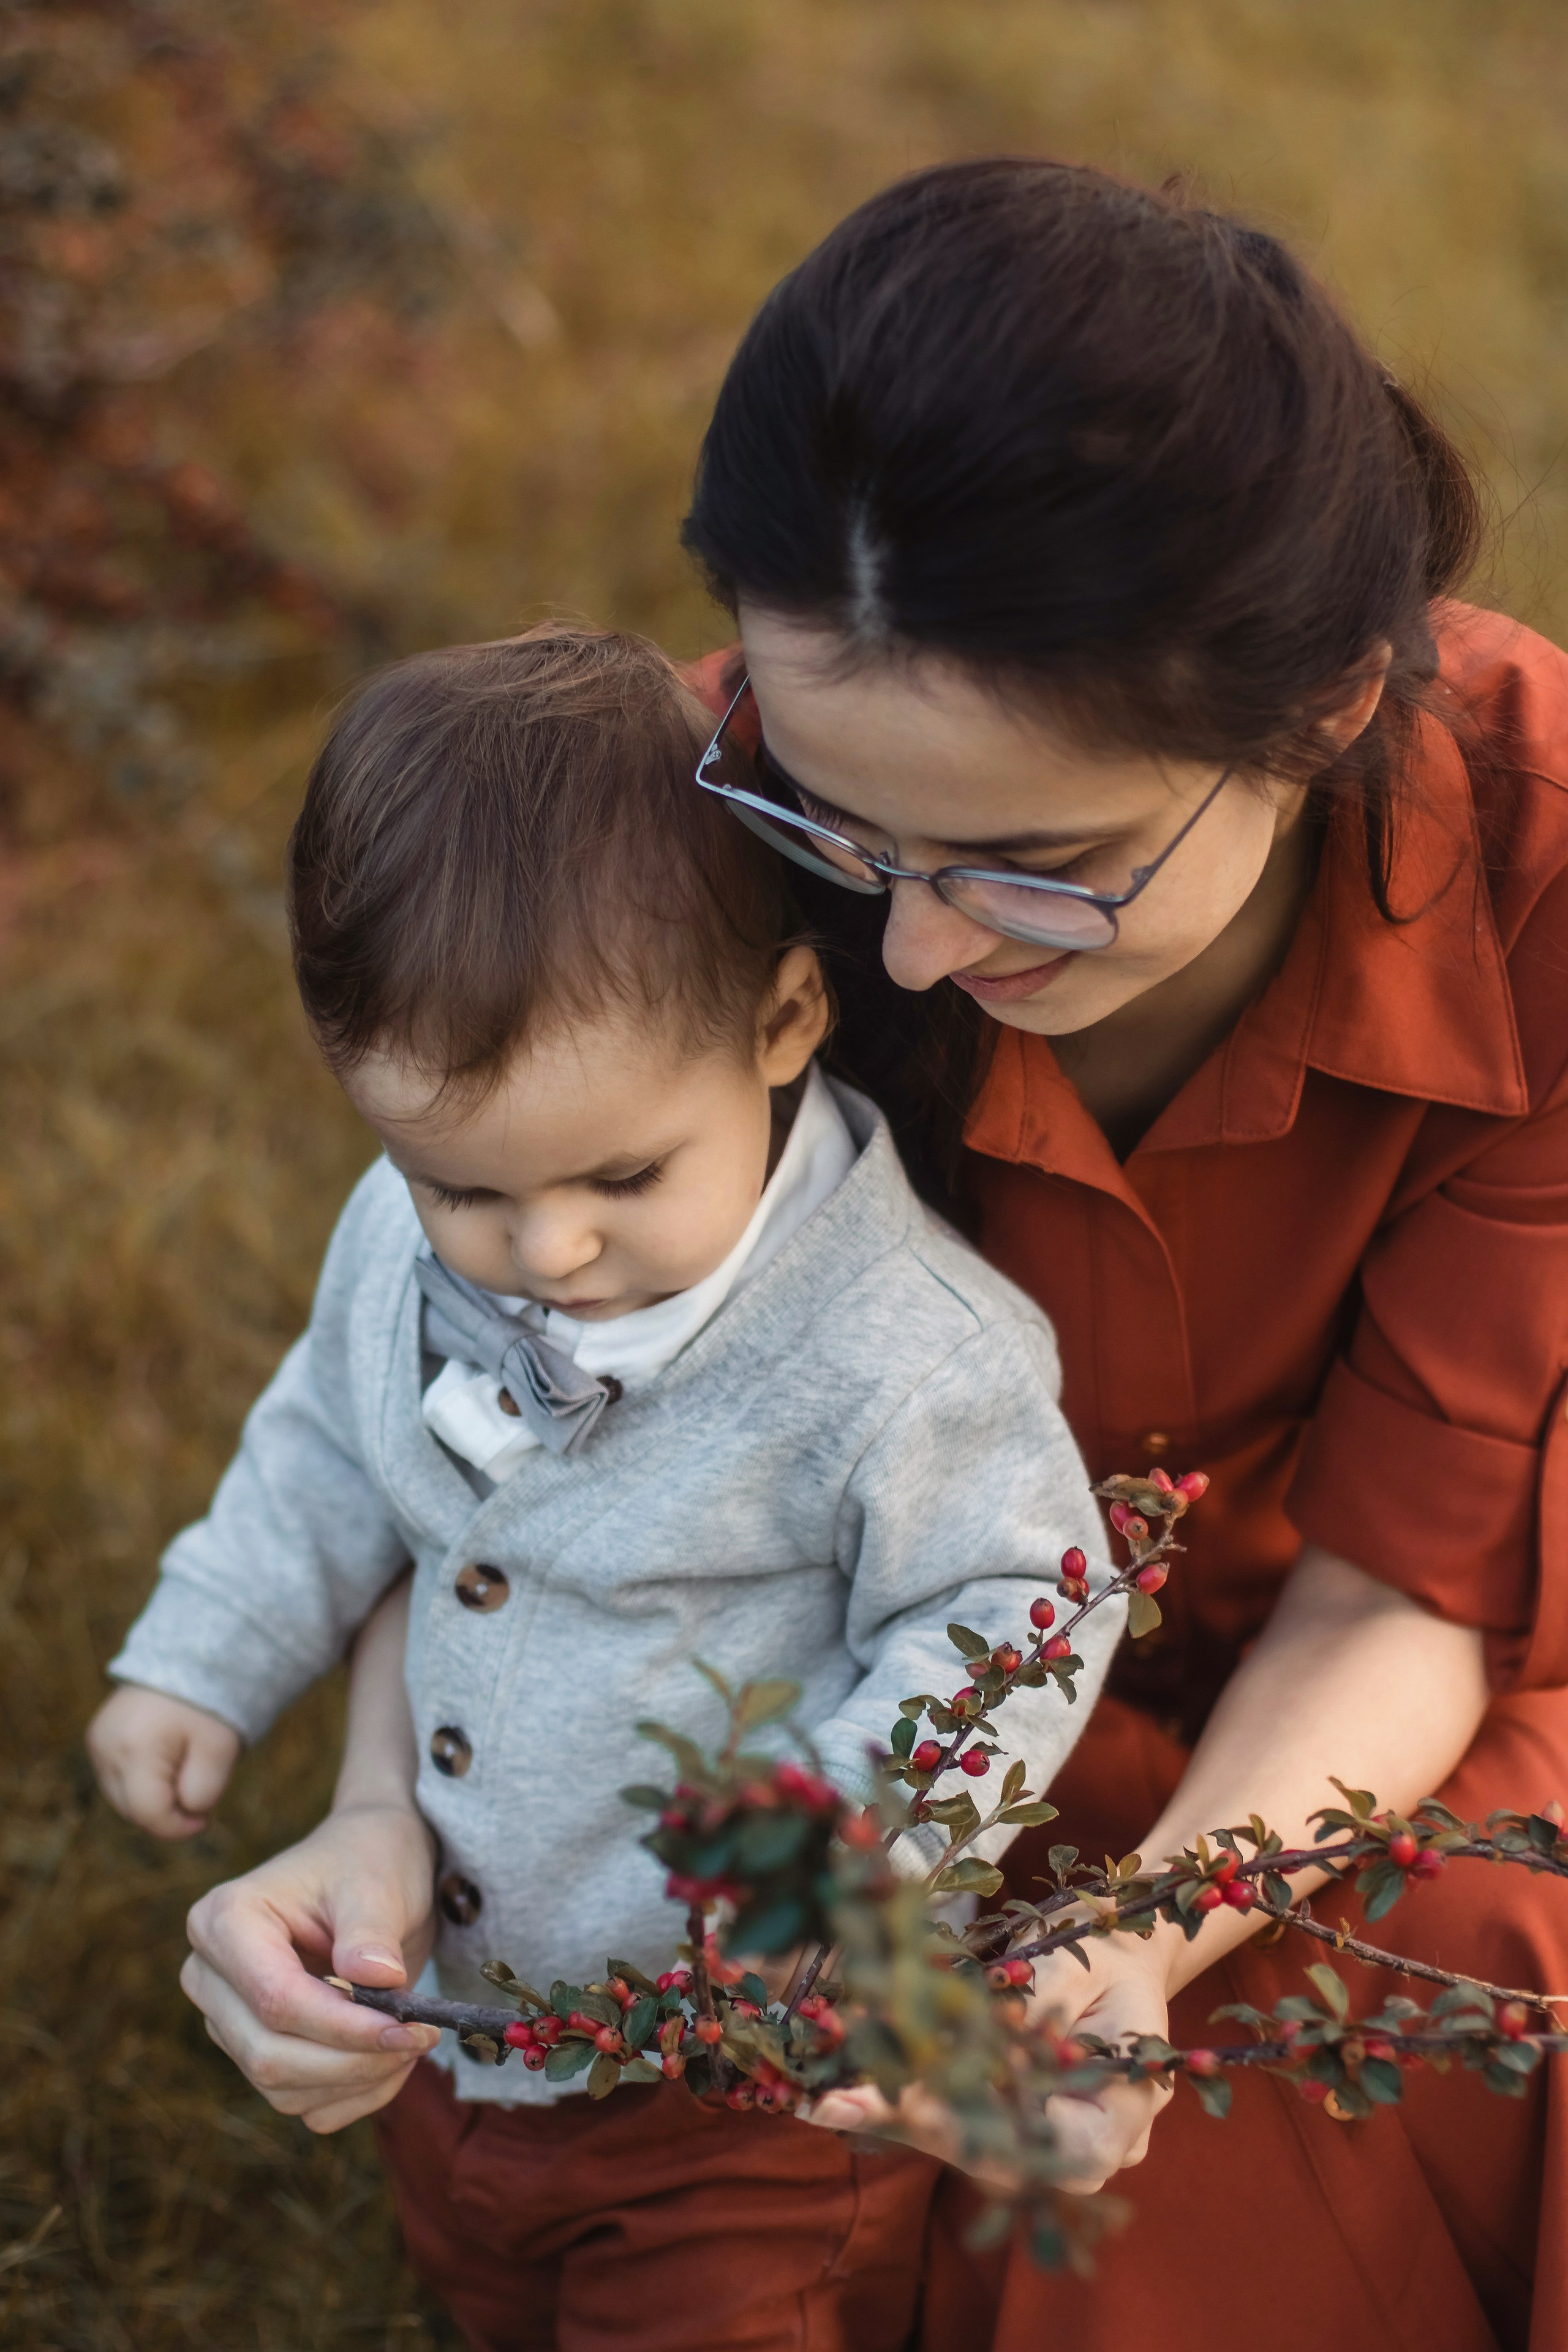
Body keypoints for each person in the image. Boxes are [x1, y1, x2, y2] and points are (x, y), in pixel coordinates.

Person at [673, 159, 1568, 2351]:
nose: (911, 942)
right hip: (894, 1673)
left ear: (1331, 705)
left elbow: (1408, 1584)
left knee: (1452, 1996)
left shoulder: (1553, 869)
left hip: (1388, 1696)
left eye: (1037, 865)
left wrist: (1144, 1942)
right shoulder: (685, 829)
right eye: (838, 825)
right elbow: (520, 1381)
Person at [86, 622, 1121, 2352]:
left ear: (785, 1019)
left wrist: (850, 1853)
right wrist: (211, 1640)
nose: (546, 1251)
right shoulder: (412, 1237)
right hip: (458, 2010)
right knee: (483, 2275)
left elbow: (1023, 1599)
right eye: (461, 1190)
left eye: (622, 1175)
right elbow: (331, 1431)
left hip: (746, 2089)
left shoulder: (903, 1354)